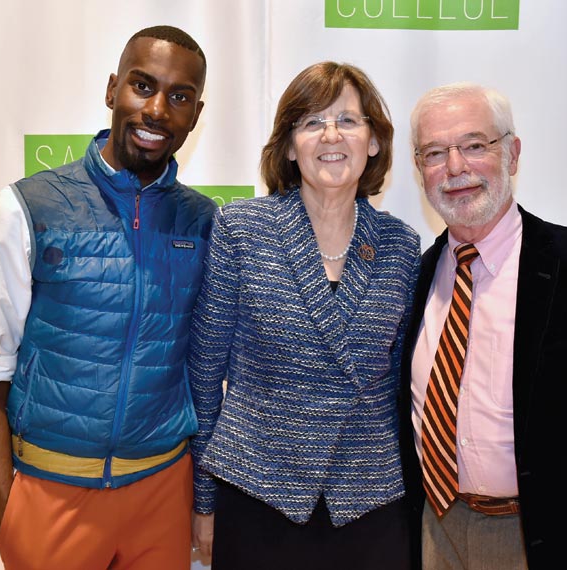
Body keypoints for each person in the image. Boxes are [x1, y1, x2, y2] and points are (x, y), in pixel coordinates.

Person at [0, 25, 216, 570]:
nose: (156, 111)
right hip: (50, 494)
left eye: (179, 97)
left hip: (163, 495)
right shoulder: (25, 208)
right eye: (142, 86)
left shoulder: (206, 221)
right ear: (111, 89)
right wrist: (3, 511)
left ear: (195, 114)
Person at [399, 82, 567, 570]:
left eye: (474, 145)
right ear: (419, 168)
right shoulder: (416, 278)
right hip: (435, 531)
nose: (456, 168)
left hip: (548, 539)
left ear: (512, 153)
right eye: (435, 153)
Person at [188, 61, 420, 569]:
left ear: (374, 142)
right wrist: (202, 502)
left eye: (348, 121)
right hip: (259, 497)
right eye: (312, 122)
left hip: (369, 502)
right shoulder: (242, 229)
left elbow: (402, 387)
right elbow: (205, 376)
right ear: (290, 146)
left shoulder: (402, 246)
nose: (330, 135)